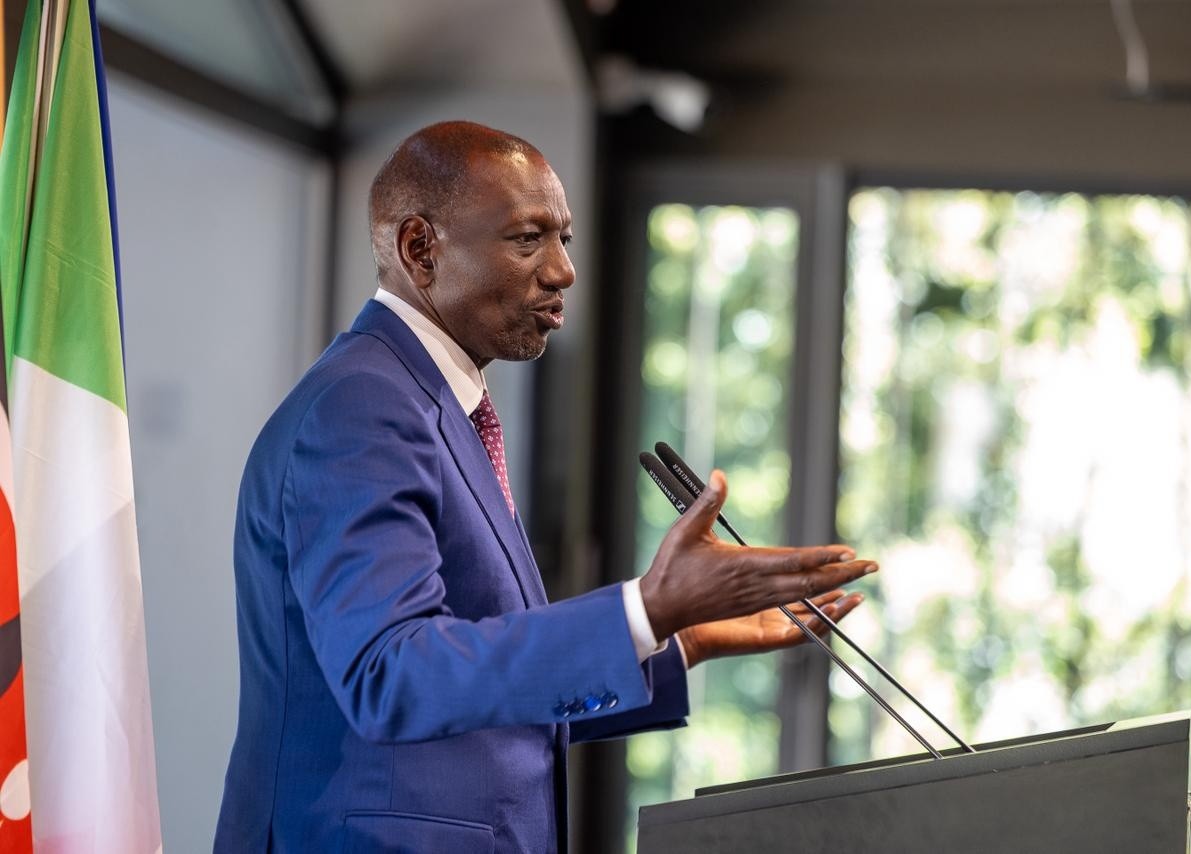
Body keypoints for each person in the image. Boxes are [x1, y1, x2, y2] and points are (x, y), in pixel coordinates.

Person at [213, 120, 877, 854]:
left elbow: (478, 697)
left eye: (564, 239)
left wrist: (676, 637)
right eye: (528, 239)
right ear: (419, 249)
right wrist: (641, 607)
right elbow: (391, 675)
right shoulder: (361, 408)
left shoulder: (432, 405)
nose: (562, 270)